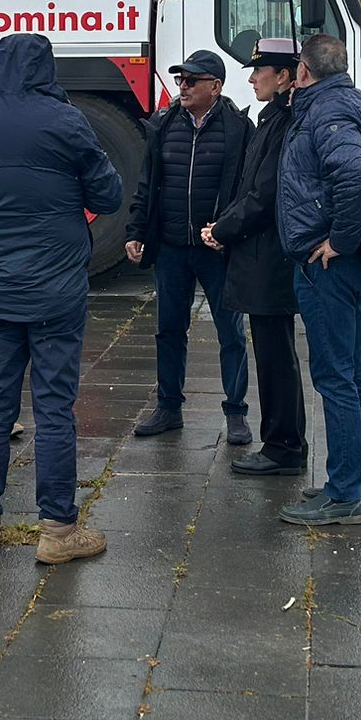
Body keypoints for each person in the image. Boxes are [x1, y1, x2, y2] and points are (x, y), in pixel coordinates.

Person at [0, 32, 123, 564]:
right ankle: (58, 531)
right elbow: (108, 194)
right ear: (46, 68)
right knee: (55, 408)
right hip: (56, 290)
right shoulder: (66, 121)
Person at [275, 32, 361, 527]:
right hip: (339, 260)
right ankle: (359, 486)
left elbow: (354, 175)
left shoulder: (328, 112)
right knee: (354, 372)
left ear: (303, 71)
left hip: (328, 263)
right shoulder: (339, 101)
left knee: (335, 377)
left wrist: (340, 241)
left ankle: (343, 492)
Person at [123, 49, 254, 444]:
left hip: (216, 249)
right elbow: (148, 183)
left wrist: (228, 232)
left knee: (230, 331)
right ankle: (168, 406)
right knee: (168, 329)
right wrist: (135, 230)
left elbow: (246, 190)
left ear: (215, 86)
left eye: (192, 80)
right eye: (180, 79)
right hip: (171, 247)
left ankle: (236, 412)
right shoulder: (163, 124)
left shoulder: (238, 128)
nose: (183, 86)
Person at [202, 38, 307, 476]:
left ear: (283, 77)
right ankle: (282, 441)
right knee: (271, 350)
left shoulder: (283, 123)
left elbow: (263, 197)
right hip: (260, 255)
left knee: (276, 355)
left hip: (270, 258)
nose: (250, 78)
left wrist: (222, 229)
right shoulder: (271, 120)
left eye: (259, 71)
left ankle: (283, 447)